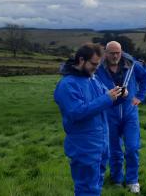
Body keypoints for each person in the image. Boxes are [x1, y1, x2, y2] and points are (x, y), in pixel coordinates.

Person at [54, 43, 124, 196]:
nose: (96, 68)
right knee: (87, 189)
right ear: (81, 60)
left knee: (96, 185)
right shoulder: (67, 85)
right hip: (84, 147)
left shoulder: (93, 79)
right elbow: (76, 113)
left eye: (98, 64)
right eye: (93, 64)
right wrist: (107, 98)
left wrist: (119, 96)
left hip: (101, 145)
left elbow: (105, 101)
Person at [94, 41, 146, 193]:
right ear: (106, 53)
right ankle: (116, 179)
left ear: (121, 51)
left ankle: (132, 180)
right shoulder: (99, 68)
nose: (115, 56)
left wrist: (140, 96)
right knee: (114, 150)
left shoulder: (132, 65)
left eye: (117, 52)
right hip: (109, 113)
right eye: (112, 53)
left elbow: (145, 77)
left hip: (130, 112)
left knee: (132, 148)